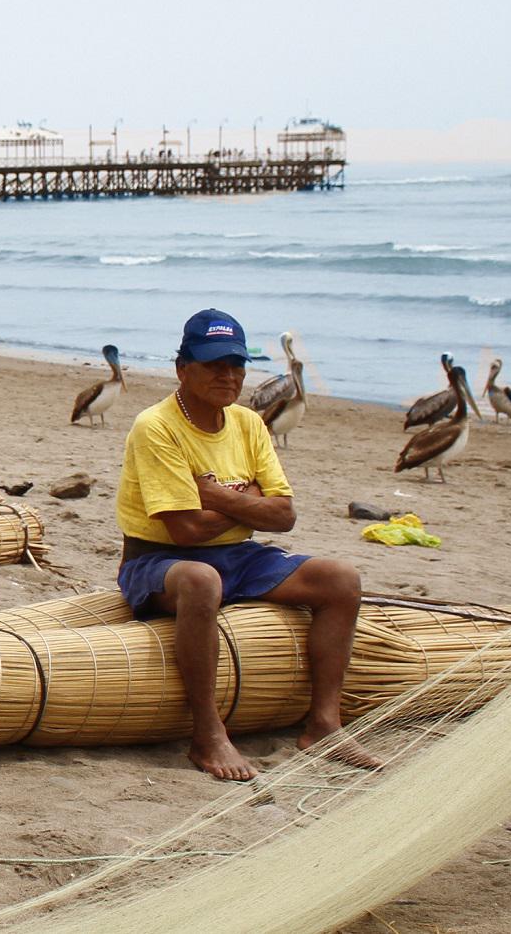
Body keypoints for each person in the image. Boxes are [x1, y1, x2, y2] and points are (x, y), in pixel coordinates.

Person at [117, 309, 377, 781]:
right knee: (200, 579)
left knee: (341, 579)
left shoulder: (248, 423)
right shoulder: (156, 426)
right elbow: (186, 532)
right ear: (183, 368)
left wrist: (214, 493)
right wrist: (247, 499)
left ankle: (324, 724)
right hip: (159, 560)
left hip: (239, 555)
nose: (228, 375)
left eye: (236, 365)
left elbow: (284, 515)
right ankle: (208, 733)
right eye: (214, 364)